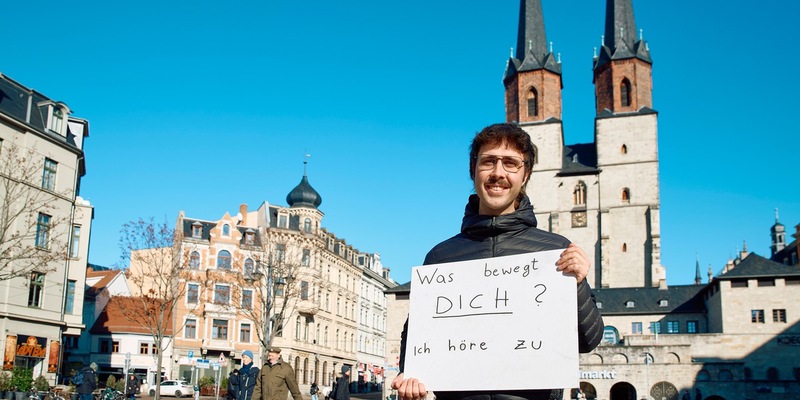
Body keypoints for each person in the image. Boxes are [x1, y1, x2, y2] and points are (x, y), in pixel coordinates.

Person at [391, 123, 605, 400]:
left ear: (526, 174)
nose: (498, 173)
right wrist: (408, 374)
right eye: (488, 161)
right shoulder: (440, 257)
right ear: (473, 169)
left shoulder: (556, 251)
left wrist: (578, 285)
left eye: (511, 163)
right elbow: (417, 335)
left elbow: (588, 341)